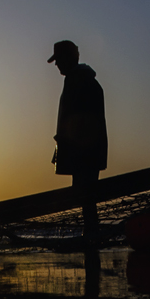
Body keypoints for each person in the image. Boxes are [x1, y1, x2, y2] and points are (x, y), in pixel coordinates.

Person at [48, 40, 108, 239]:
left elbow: (78, 121)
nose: (56, 65)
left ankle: (90, 236)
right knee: (87, 199)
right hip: (90, 151)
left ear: (68, 58)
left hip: (84, 153)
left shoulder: (76, 80)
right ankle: (91, 233)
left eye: (58, 60)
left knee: (85, 196)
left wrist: (68, 146)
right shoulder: (86, 80)